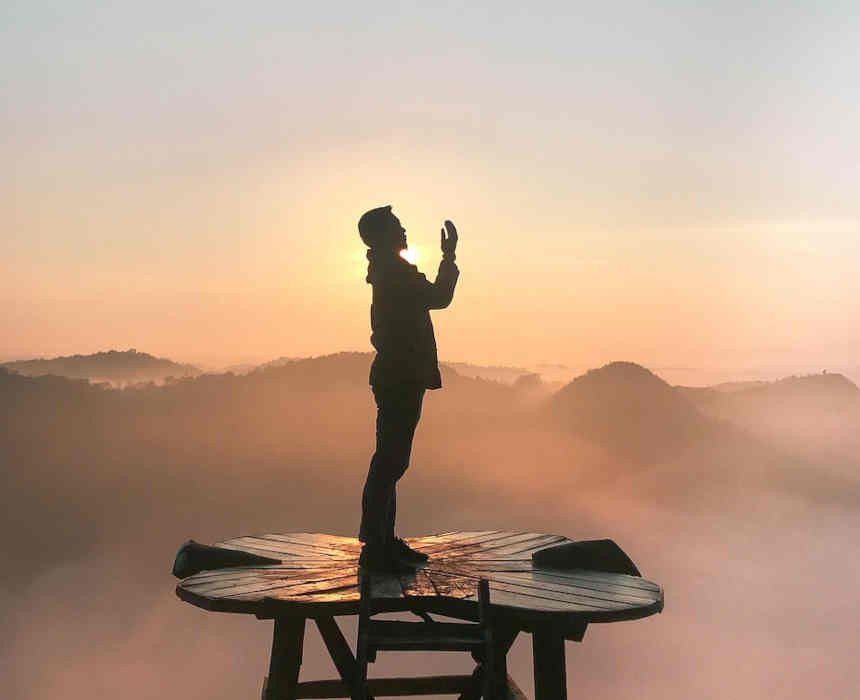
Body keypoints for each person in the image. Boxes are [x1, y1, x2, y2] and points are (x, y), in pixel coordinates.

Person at [357, 206, 459, 572]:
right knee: (391, 461)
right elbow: (440, 297)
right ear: (383, 235)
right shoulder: (395, 274)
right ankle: (376, 546)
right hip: (400, 376)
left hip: (397, 375)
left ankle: (384, 541)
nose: (404, 232)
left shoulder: (388, 271)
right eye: (397, 227)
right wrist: (449, 257)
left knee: (391, 459)